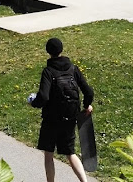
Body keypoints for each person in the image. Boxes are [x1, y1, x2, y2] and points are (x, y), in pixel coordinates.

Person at [28, 37, 94, 182]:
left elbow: (44, 97)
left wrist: (33, 103)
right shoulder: (73, 68)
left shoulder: (48, 71)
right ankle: (84, 181)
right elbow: (88, 91)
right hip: (70, 117)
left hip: (51, 120)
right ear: (61, 50)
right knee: (70, 153)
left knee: (49, 155)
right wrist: (86, 105)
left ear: (48, 52)